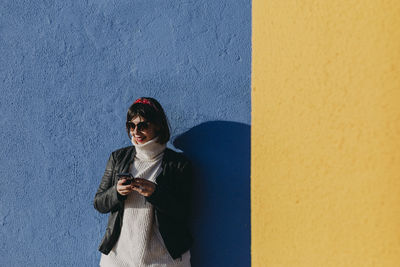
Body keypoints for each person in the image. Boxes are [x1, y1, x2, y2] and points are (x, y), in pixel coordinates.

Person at [94, 97, 193, 267]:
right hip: (119, 257)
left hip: (164, 259)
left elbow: (184, 211)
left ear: (158, 125)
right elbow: (99, 203)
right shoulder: (118, 158)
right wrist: (116, 192)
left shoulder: (178, 164)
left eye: (142, 125)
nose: (135, 132)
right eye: (131, 126)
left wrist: (155, 193)